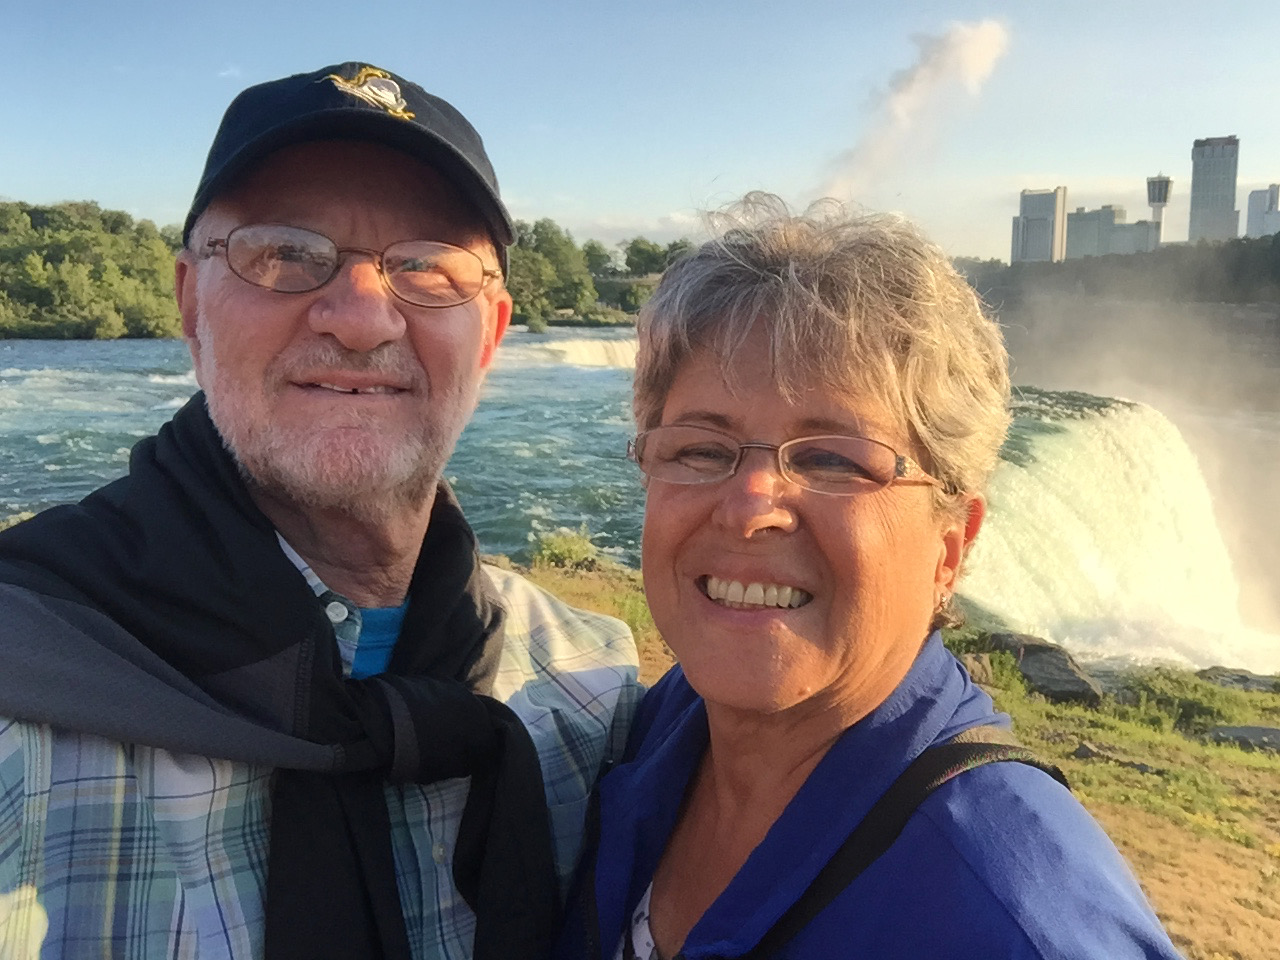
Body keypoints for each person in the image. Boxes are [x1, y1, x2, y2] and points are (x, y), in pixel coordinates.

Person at [0, 63, 639, 960]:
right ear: (190, 304)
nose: (361, 318)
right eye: (284, 254)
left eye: (426, 268)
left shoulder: (591, 694)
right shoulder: (28, 683)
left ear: (491, 333)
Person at [556, 195, 1183, 959]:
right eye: (698, 449)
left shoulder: (1015, 920)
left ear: (950, 547)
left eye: (832, 459)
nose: (751, 506)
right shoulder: (667, 730)